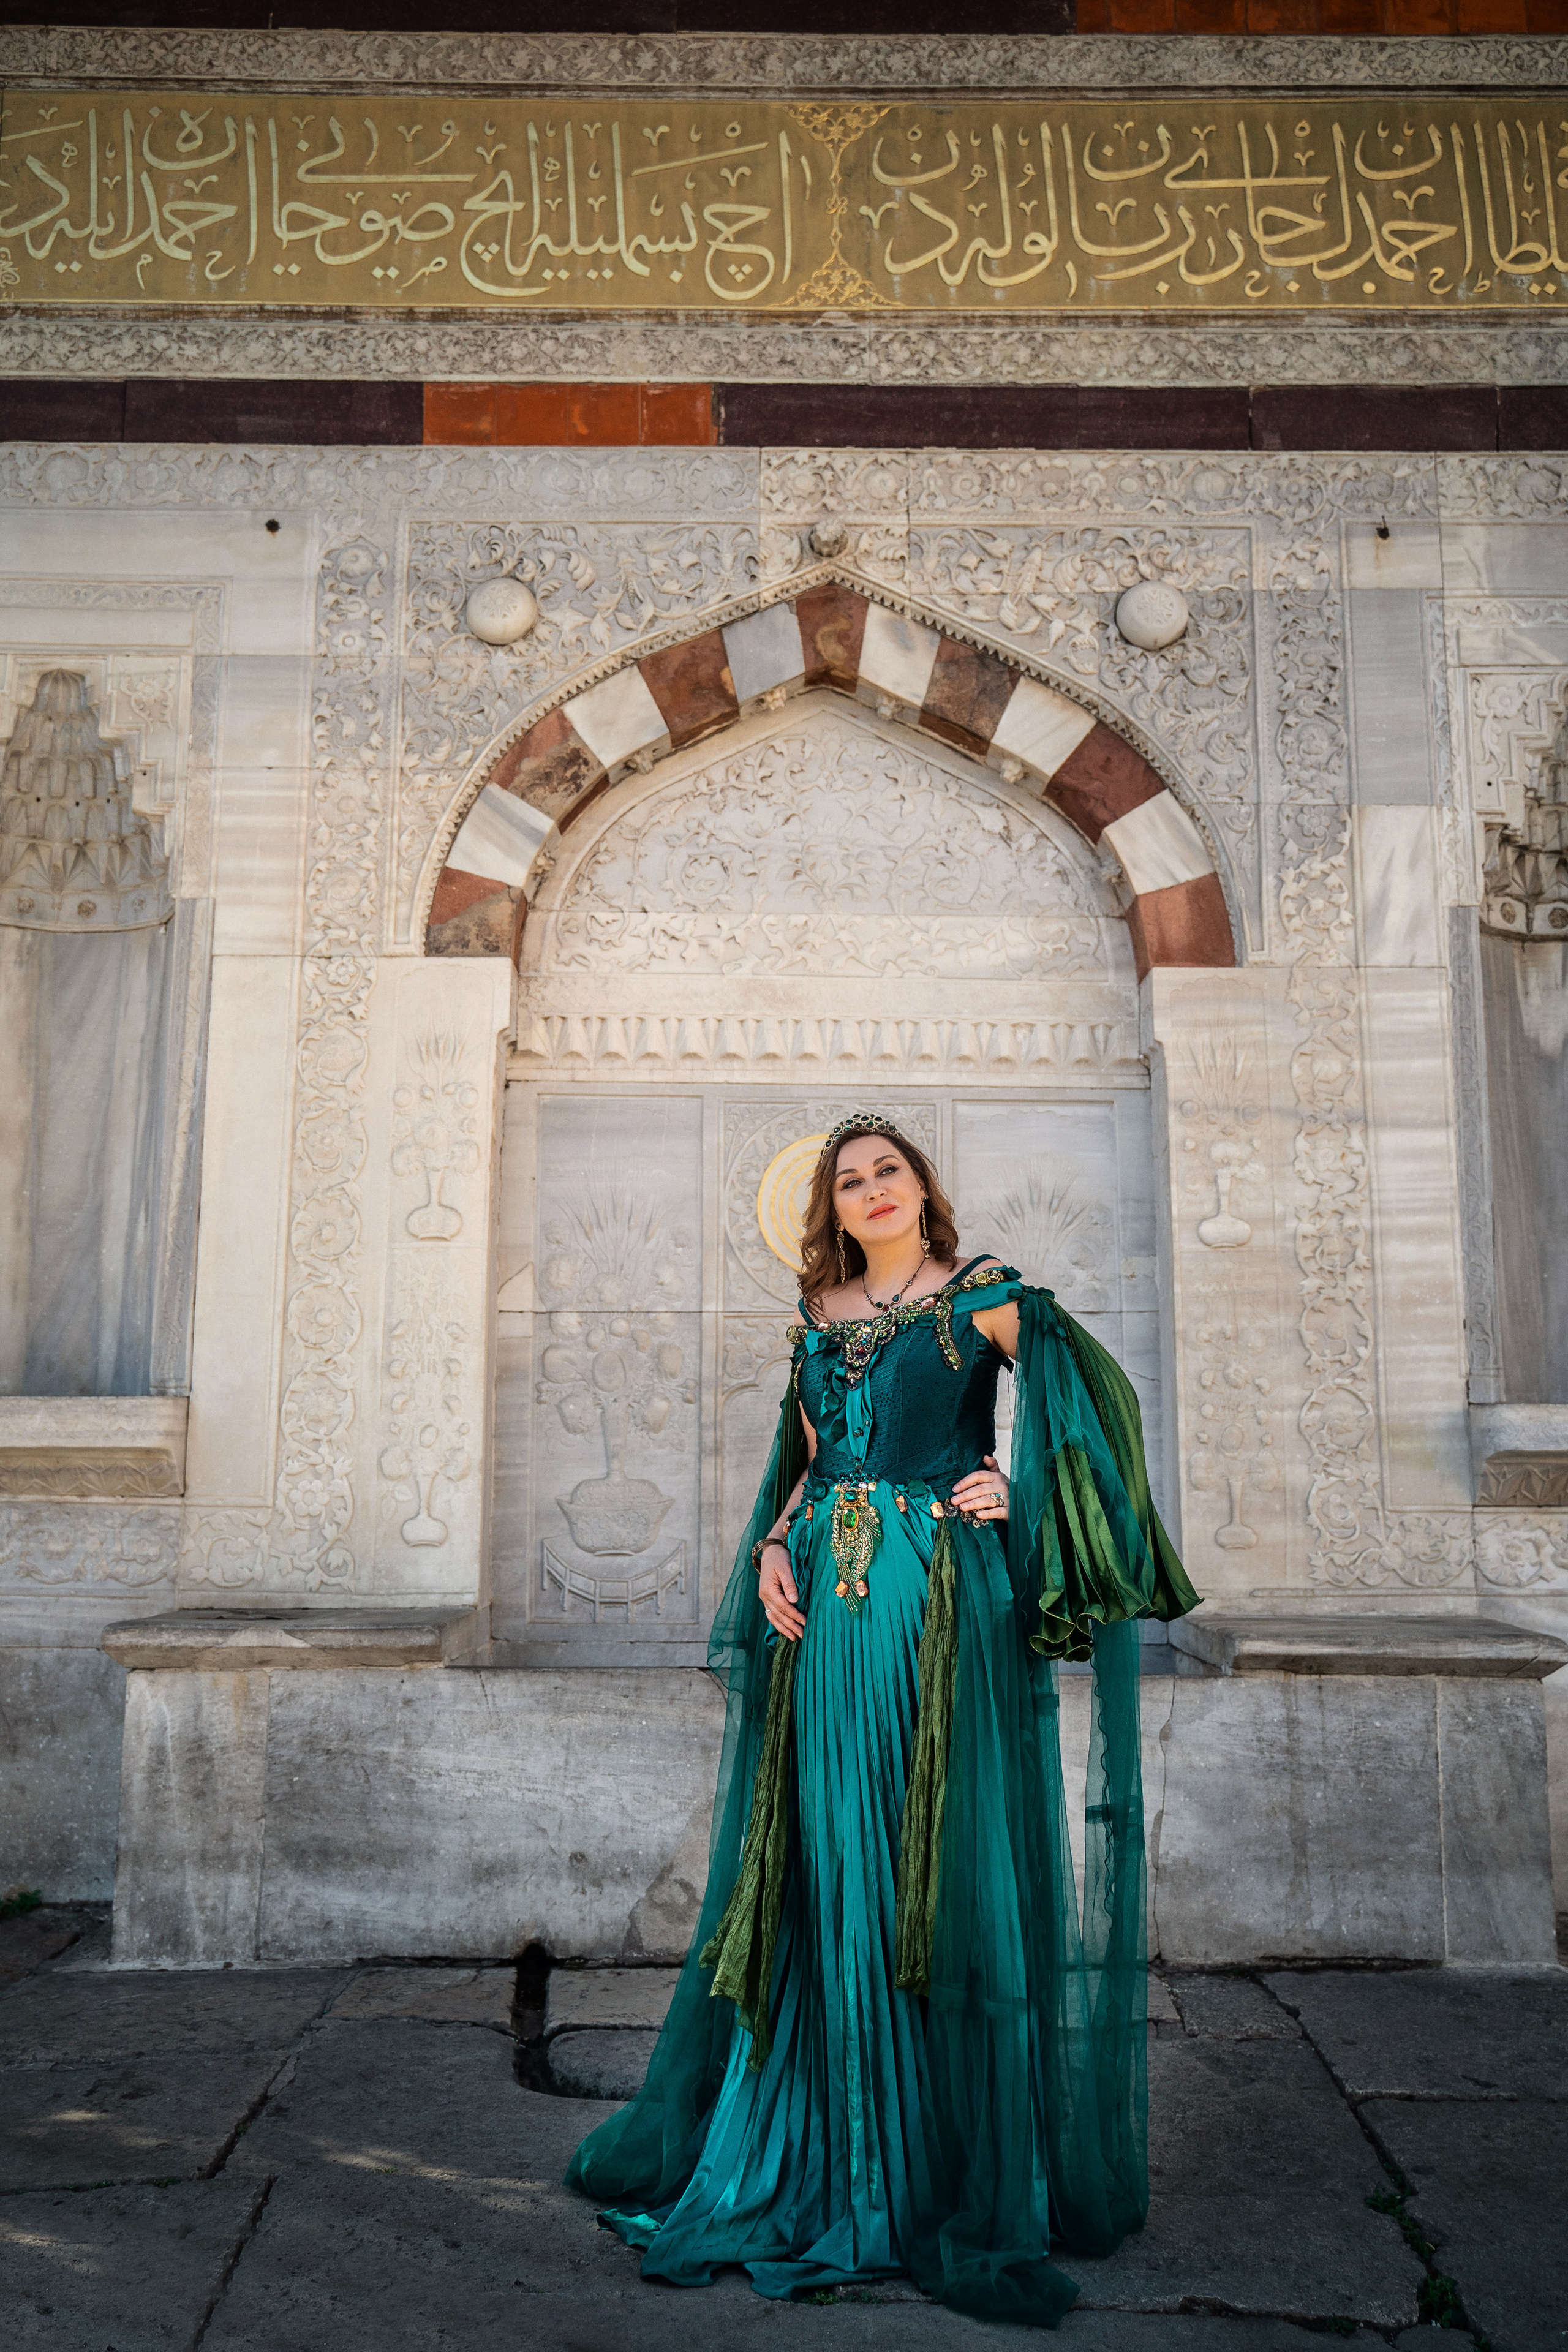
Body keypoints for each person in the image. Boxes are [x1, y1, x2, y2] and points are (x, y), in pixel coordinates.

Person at [566, 1112, 1200, 2326]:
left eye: (885, 1171)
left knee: (927, 1856)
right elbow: (808, 1464)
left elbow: (1090, 1403)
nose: (868, 1190)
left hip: (930, 1602)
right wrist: (765, 1546)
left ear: (920, 1185)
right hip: (821, 1608)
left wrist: (1007, 1484)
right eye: (847, 1180)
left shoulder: (981, 1296)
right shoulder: (816, 1317)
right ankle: (816, 2147)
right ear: (830, 1205)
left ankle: (923, 2166)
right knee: (824, 1859)